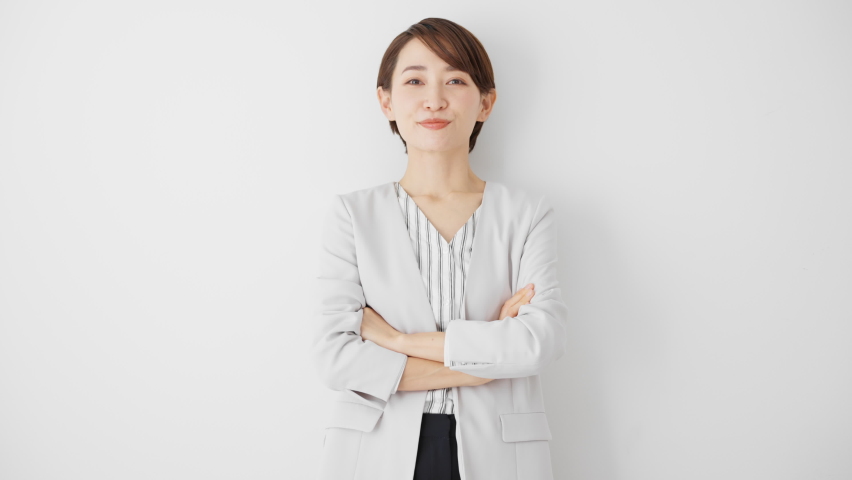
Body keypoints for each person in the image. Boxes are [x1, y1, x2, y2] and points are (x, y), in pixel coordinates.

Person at [312, 17, 569, 480]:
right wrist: (486, 363)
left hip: (500, 450)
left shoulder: (526, 213)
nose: (434, 99)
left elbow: (538, 342)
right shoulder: (352, 215)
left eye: (455, 79)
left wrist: (397, 342)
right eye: (414, 81)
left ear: (486, 102)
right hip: (377, 448)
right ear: (386, 101)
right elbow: (336, 359)